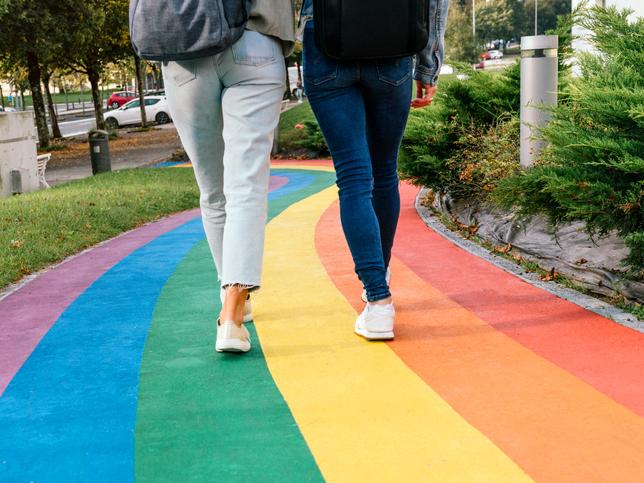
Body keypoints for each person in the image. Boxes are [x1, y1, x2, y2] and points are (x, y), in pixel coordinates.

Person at [299, 0, 449, 340]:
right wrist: (428, 67)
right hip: (393, 38)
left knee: (353, 176)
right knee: (383, 172)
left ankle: (379, 299)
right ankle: (377, 285)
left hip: (326, 36)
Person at [162, 0, 295, 353]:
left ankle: (232, 298)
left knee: (212, 189)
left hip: (185, 42)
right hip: (257, 40)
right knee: (247, 184)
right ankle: (233, 311)